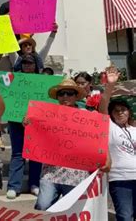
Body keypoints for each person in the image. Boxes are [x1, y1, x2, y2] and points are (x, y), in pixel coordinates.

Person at [33, 79, 91, 210]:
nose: (65, 96)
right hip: (50, 171)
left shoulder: (86, 116)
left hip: (76, 174)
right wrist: (27, 122)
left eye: (69, 93)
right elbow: (33, 130)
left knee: (72, 211)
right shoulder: (47, 114)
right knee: (43, 206)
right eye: (62, 93)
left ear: (76, 96)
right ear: (57, 97)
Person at [98, 67, 135, 221]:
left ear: (129, 112)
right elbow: (103, 105)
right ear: (111, 115)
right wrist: (110, 85)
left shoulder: (134, 129)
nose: (120, 112)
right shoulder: (110, 128)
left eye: (123, 110)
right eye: (116, 111)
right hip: (119, 179)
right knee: (125, 217)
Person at [6, 53, 42, 199]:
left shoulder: (42, 81)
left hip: (36, 123)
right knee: (17, 154)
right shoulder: (13, 80)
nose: (27, 65)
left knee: (36, 154)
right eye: (25, 63)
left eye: (30, 63)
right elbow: (9, 99)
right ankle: (14, 186)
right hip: (16, 122)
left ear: (35, 65)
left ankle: (35, 184)